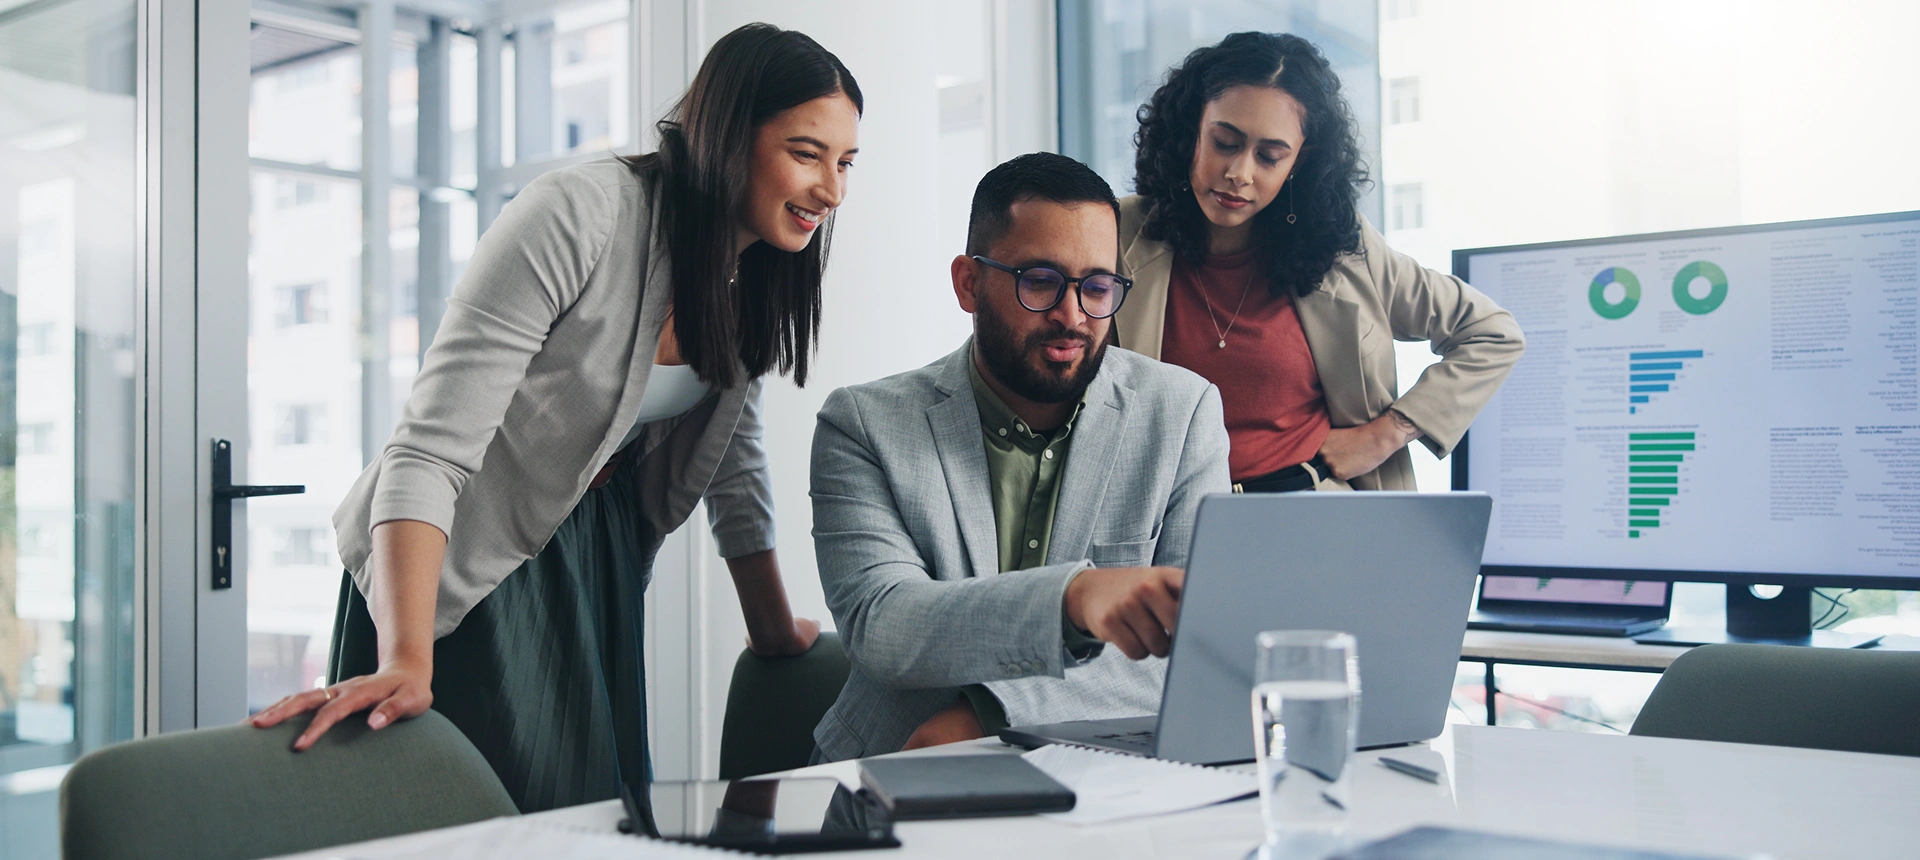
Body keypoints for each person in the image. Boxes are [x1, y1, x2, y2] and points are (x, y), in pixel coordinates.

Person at [248, 23, 861, 812]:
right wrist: (407, 655)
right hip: (460, 558)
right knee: (499, 818)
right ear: (725, 136)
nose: (833, 190)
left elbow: (729, 458)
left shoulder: (751, 274)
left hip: (590, 555)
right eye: (807, 154)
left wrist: (772, 628)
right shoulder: (582, 213)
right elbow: (428, 451)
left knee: (593, 814)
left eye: (845, 163)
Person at [808, 153, 1231, 762]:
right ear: (968, 284)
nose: (1073, 315)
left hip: (1106, 778)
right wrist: (1075, 599)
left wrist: (990, 713)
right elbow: (885, 626)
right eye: (1040, 281)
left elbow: (1200, 644)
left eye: (1097, 286)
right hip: (888, 771)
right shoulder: (864, 425)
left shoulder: (1182, 413)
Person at [1114, 32, 1523, 492]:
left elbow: (1492, 333)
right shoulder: (1113, 234)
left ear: (1299, 163)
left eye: (1269, 156)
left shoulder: (1344, 250)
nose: (1240, 174)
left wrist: (1387, 433)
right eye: (1225, 143)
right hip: (1165, 525)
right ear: (1190, 131)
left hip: (1318, 515)